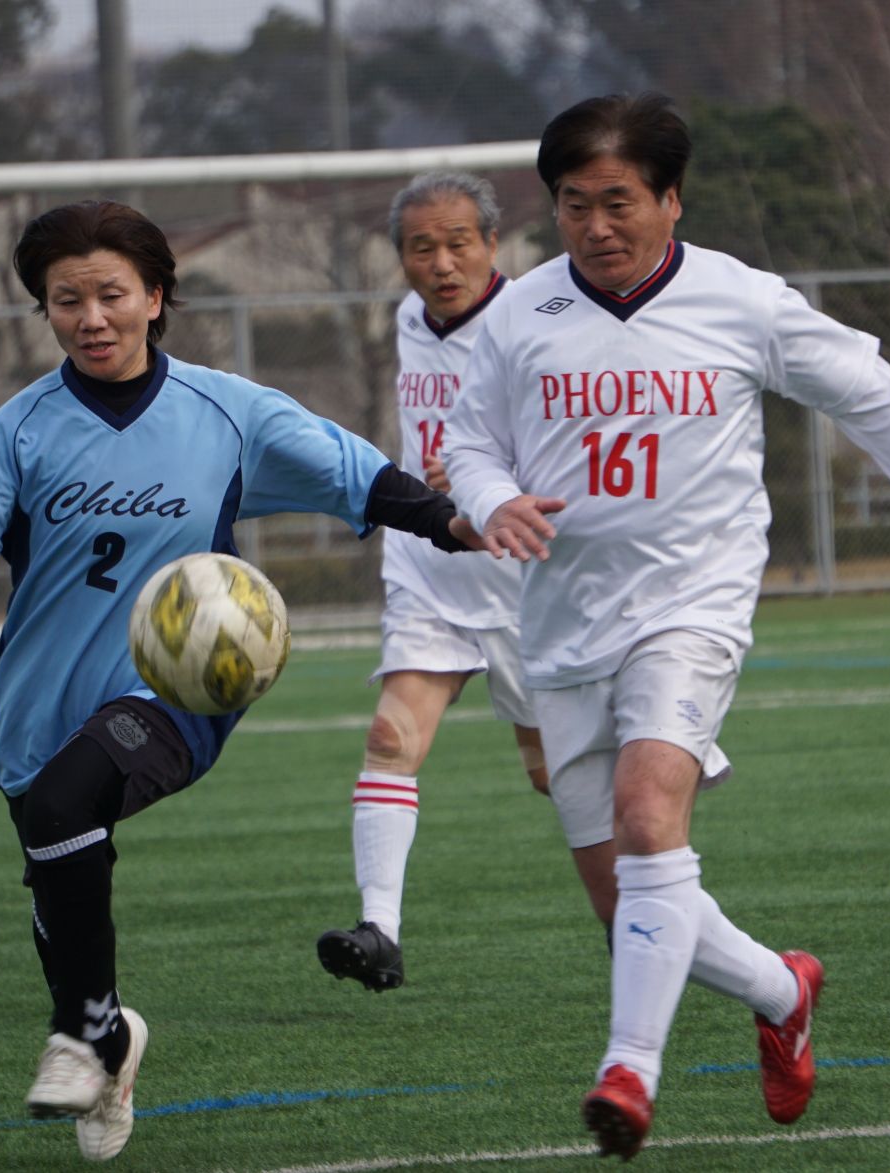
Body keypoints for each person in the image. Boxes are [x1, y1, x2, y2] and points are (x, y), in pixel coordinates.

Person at [443, 93, 890, 1159]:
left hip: (693, 605)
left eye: (619, 202)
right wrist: (493, 496)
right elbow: (468, 442)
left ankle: (629, 1073)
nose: (596, 226)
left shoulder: (742, 301)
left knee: (650, 814)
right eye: (574, 205)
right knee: (629, 907)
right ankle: (783, 991)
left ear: (672, 199)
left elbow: (867, 391)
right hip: (562, 622)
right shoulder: (518, 315)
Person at [0, 201, 497, 1164]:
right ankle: (109, 1037)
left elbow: (353, 473)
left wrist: (449, 521)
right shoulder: (20, 430)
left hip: (179, 691)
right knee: (56, 855)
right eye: (67, 300)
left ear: (155, 297)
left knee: (66, 806)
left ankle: (81, 1038)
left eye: (112, 295)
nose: (92, 317)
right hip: (41, 704)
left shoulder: (226, 412)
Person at [315, 172, 563, 994]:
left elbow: (572, 439)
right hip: (428, 569)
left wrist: (491, 474)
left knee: (554, 774)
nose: (442, 262)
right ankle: (379, 929)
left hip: (522, 583)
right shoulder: (407, 318)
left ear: (493, 244)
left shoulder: (536, 322)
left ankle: (657, 898)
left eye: (459, 243)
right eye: (422, 247)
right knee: (391, 740)